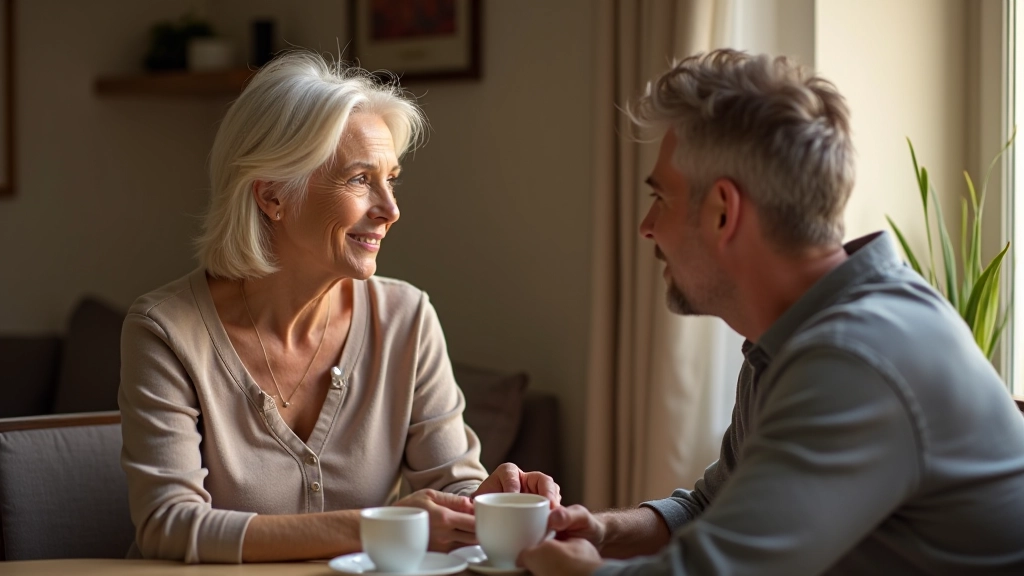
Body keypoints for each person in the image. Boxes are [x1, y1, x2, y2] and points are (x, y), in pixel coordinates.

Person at [520, 49, 1024, 575]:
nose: (647, 226)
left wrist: (575, 572)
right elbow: (712, 509)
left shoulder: (853, 357)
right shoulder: (793, 335)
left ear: (722, 211)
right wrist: (603, 533)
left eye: (661, 198)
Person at [118, 51, 558, 564]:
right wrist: (380, 526)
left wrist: (488, 499)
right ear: (273, 195)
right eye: (358, 179)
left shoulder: (407, 318)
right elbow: (168, 526)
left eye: (390, 178)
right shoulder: (165, 331)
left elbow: (450, 486)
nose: (390, 210)